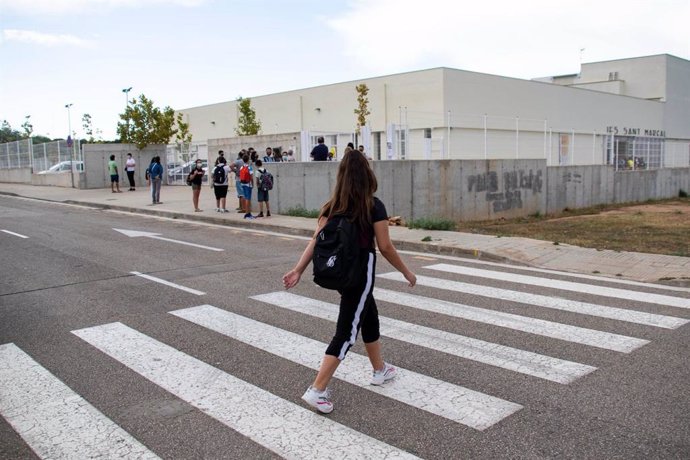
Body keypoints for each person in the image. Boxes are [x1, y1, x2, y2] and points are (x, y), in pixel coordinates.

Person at [282, 149, 417, 414]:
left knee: (369, 315)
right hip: (360, 273)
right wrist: (406, 272)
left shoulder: (331, 207)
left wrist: (298, 269)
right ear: (366, 174)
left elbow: (315, 240)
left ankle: (380, 369)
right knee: (346, 332)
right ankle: (317, 389)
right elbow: (386, 247)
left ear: (341, 176)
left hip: (341, 274)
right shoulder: (373, 205)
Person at [239, 154, 255, 219]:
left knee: (245, 197)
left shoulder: (241, 167)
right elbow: (251, 177)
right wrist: (253, 184)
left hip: (243, 183)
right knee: (248, 199)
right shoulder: (249, 167)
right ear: (248, 160)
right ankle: (247, 213)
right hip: (248, 184)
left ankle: (248, 212)